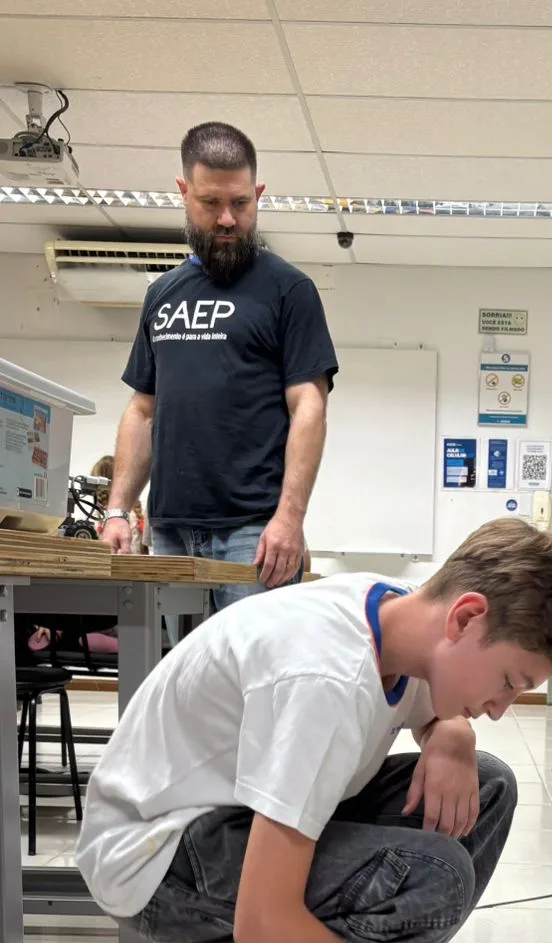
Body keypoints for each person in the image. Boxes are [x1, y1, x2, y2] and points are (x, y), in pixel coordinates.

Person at [75, 519, 552, 943]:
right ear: (466, 617)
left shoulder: (397, 612)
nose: (502, 708)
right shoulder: (325, 679)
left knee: (488, 786)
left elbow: (431, 700)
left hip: (221, 824)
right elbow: (264, 919)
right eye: (508, 681)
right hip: (155, 859)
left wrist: (452, 731)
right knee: (432, 877)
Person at [100, 120, 337, 612]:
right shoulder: (162, 295)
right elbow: (143, 410)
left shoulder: (289, 291)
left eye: (241, 203)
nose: (228, 219)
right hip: (169, 529)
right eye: (211, 203)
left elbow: (309, 406)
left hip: (254, 532)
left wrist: (290, 518)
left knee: (252, 663)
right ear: (184, 193)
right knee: (184, 663)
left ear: (258, 195)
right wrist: (117, 510)